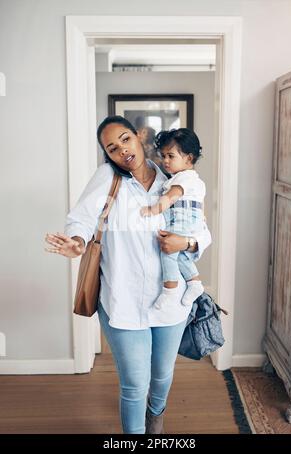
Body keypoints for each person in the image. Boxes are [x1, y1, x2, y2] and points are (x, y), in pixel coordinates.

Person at [44, 115, 211, 434]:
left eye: (124, 139)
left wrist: (186, 242)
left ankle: (156, 419)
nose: (120, 149)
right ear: (107, 155)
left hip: (170, 302)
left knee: (161, 377)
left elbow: (201, 232)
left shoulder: (174, 179)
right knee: (135, 384)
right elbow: (81, 219)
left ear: (138, 136)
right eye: (111, 147)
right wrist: (76, 243)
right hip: (122, 302)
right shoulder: (108, 177)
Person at [140, 128, 206, 309]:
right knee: (182, 256)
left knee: (168, 252)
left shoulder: (183, 179)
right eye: (163, 156)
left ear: (188, 158)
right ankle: (195, 283)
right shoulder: (191, 179)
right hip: (190, 223)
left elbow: (171, 197)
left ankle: (169, 290)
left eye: (171, 156)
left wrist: (153, 209)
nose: (165, 161)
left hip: (181, 222)